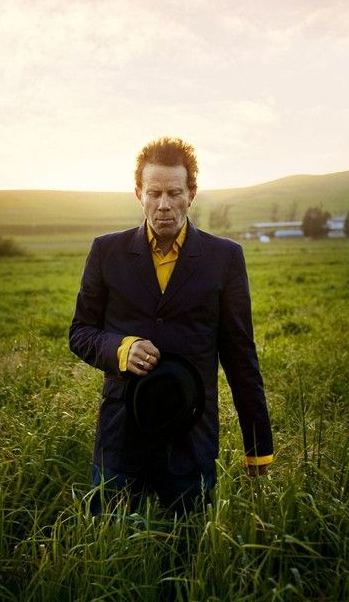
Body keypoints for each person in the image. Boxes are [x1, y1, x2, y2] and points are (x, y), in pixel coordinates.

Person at [69, 137, 273, 515]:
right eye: (154, 193)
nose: (164, 204)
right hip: (120, 441)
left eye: (174, 193)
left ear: (191, 194)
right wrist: (121, 349)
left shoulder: (225, 258)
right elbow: (80, 332)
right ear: (139, 194)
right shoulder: (106, 252)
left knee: (188, 547)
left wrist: (258, 448)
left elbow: (241, 358)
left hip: (190, 443)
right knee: (110, 544)